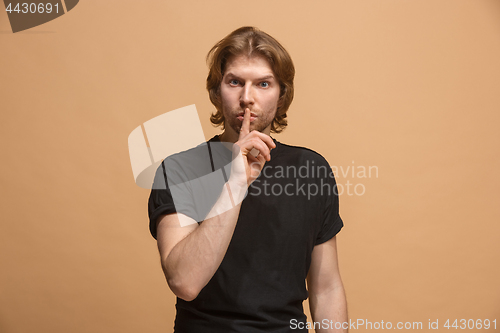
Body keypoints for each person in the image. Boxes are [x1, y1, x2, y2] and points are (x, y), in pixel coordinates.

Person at [148, 26, 348, 332]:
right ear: (217, 92)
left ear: (282, 95)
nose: (247, 97)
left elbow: (326, 288)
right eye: (235, 82)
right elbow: (185, 281)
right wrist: (236, 183)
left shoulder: (311, 169)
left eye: (263, 84)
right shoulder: (179, 169)